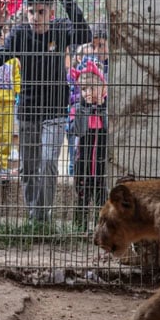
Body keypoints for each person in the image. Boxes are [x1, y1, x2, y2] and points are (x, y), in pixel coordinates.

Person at [0, 0, 91, 224]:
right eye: (31, 11)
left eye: (40, 11)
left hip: (55, 110)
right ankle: (34, 217)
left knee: (48, 162)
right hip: (27, 111)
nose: (35, 17)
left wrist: (68, 0)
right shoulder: (20, 34)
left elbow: (86, 35)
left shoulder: (61, 27)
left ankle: (42, 218)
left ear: (51, 13)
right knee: (28, 168)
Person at [68, 60, 108, 229]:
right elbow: (78, 131)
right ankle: (79, 227)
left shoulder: (107, 108)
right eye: (83, 89)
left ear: (102, 88)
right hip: (82, 162)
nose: (87, 92)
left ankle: (102, 229)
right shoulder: (77, 108)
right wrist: (84, 108)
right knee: (82, 195)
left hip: (101, 162)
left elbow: (109, 129)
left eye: (92, 87)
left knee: (102, 196)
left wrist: (102, 108)